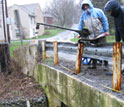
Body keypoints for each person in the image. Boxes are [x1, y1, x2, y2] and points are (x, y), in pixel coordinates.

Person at [78, 0, 109, 69]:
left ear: (90, 5)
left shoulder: (98, 11)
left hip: (101, 34)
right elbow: (80, 24)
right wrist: (80, 33)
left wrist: (106, 30)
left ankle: (105, 64)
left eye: (87, 5)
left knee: (103, 50)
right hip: (92, 36)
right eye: (84, 6)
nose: (86, 7)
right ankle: (93, 64)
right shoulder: (83, 15)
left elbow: (104, 20)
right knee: (93, 51)